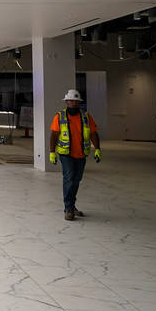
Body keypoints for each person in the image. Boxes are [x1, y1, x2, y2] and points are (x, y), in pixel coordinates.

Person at [48, 89, 101, 221]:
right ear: (66, 102)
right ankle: (68, 208)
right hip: (66, 154)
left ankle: (72, 205)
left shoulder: (86, 116)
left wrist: (98, 149)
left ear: (79, 103)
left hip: (81, 154)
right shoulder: (59, 116)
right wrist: (52, 152)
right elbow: (54, 135)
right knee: (69, 179)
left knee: (76, 180)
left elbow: (93, 133)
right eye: (71, 101)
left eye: (76, 101)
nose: (73, 103)